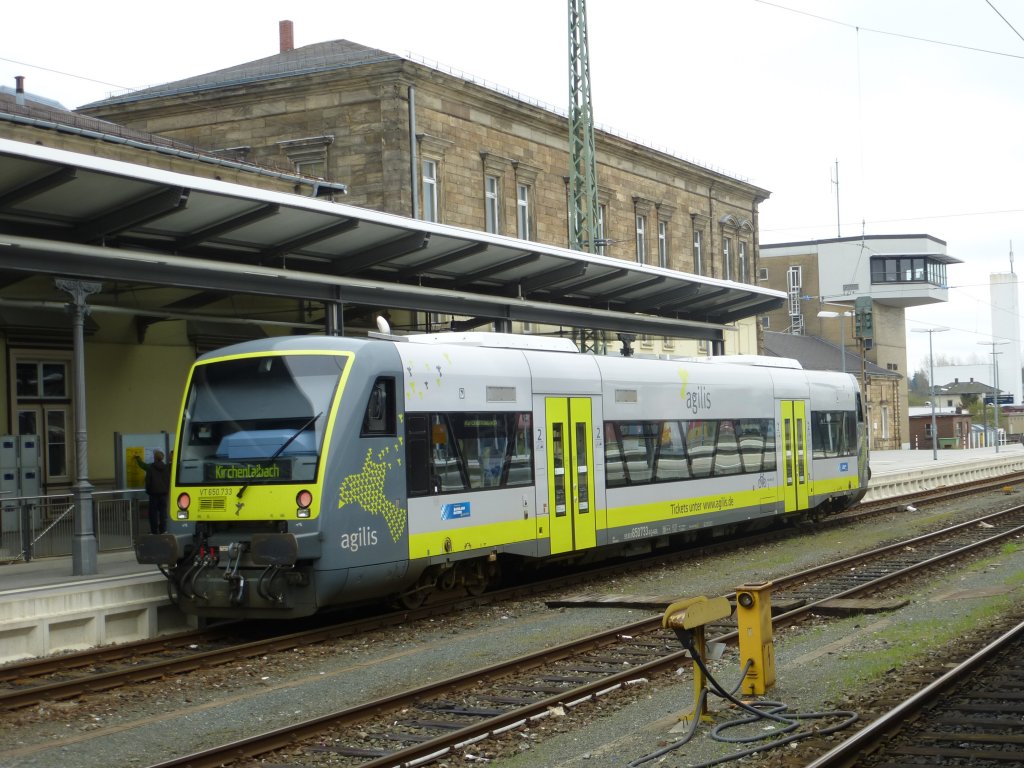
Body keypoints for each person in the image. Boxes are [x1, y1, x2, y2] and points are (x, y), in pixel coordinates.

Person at [135, 449, 171, 534]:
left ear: (154, 458)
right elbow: (168, 480)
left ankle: (154, 530)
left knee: (153, 514)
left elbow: (148, 480)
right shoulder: (166, 467)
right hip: (164, 494)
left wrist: (138, 458)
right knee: (163, 513)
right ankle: (163, 530)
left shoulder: (151, 467)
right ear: (162, 458)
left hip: (154, 494)